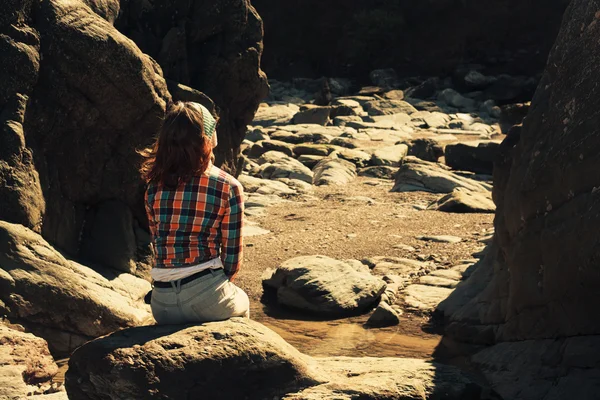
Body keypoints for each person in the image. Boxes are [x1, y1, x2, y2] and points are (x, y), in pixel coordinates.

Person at [139, 101, 249, 324]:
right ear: (208, 138)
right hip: (207, 297)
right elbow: (232, 261)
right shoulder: (228, 187)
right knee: (243, 301)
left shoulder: (153, 188)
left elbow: (158, 244)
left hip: (162, 304)